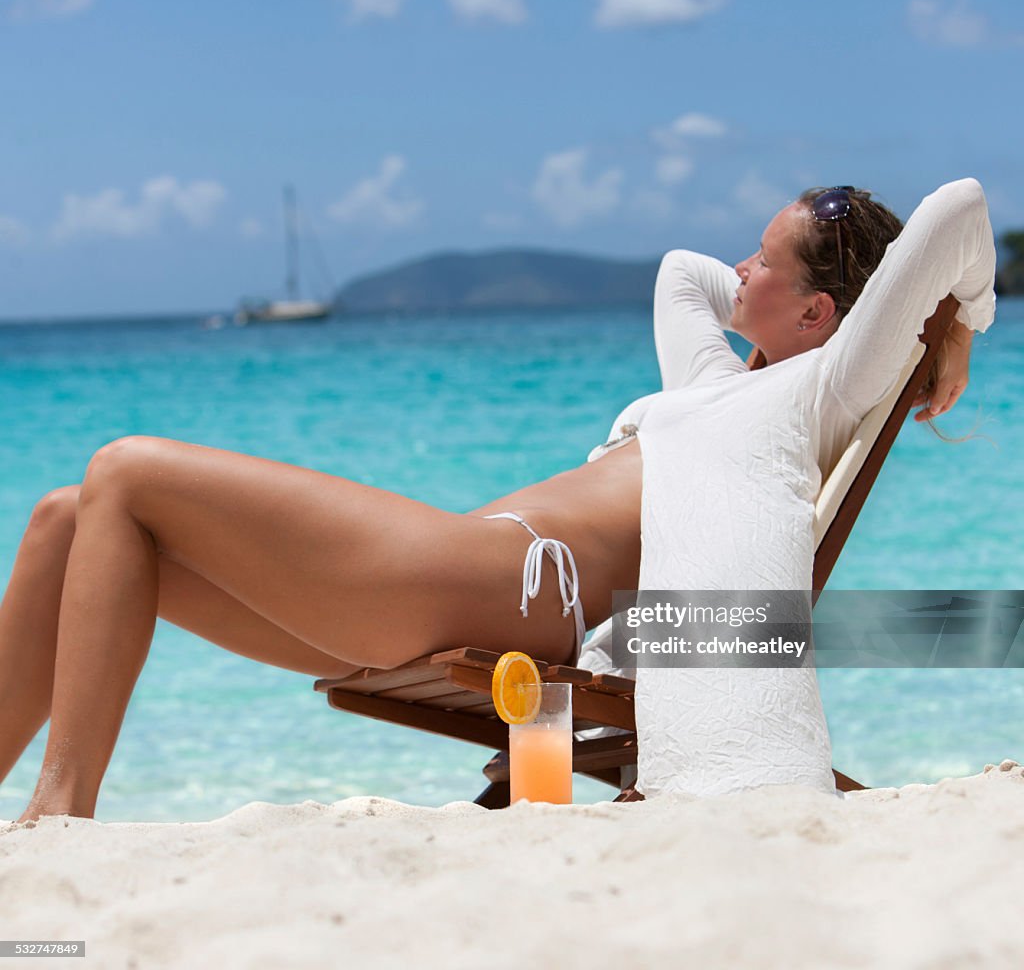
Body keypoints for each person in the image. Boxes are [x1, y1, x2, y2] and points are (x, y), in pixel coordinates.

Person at [0, 179, 995, 822]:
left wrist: (949, 327)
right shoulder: (710, 386)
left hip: (506, 589)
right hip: (458, 572)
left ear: (821, 313)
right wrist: (794, 251)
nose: (736, 267)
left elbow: (959, 213)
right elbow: (680, 275)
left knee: (125, 469)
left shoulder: (812, 393)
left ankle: (59, 817)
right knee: (62, 517)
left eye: (764, 260)